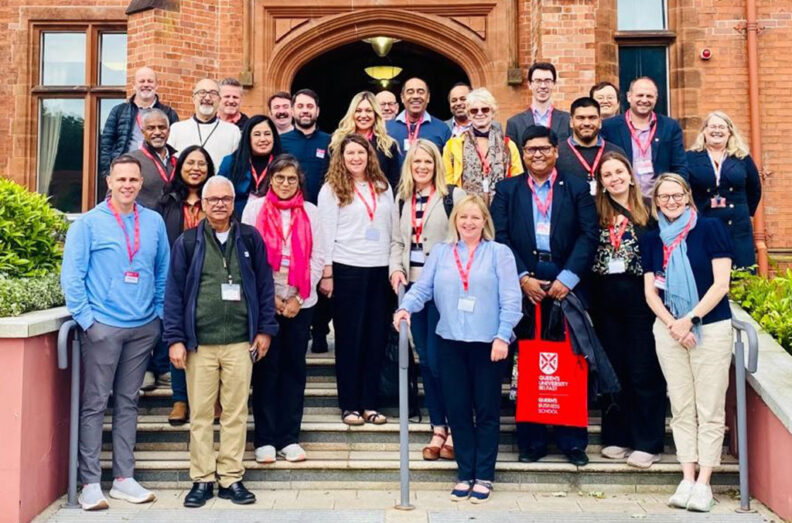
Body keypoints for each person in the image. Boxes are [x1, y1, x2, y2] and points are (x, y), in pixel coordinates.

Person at [393, 195, 522, 503]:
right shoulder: (441, 252)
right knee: (458, 411)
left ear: (484, 222)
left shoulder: (499, 253)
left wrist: (503, 336)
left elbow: (511, 299)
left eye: (475, 218)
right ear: (455, 222)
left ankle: (484, 475)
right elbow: (423, 287)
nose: (468, 223)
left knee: (487, 411)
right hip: (450, 340)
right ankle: (465, 473)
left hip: (488, 344)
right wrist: (405, 307)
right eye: (463, 218)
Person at [61, 154, 169, 511]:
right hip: (103, 327)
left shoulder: (152, 222)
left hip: (142, 328)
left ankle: (124, 478)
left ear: (141, 183)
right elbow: (72, 277)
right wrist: (89, 322)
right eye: (120, 179)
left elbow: (162, 271)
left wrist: (155, 316)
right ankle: (90, 482)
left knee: (128, 402)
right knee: (94, 403)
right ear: (108, 181)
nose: (127, 185)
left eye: (133, 180)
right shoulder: (89, 224)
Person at [164, 176, 278, 508]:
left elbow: (264, 287)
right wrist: (174, 339)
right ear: (203, 204)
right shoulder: (187, 242)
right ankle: (201, 479)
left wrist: (265, 330)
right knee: (200, 414)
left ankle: (230, 477)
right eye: (213, 199)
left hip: (241, 342)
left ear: (233, 202)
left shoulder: (250, 238)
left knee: (236, 412)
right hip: (199, 344)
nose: (219, 205)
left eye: (225, 199)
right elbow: (173, 294)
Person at [490, 125, 597, 466]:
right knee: (529, 362)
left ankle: (572, 442)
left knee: (569, 360)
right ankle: (531, 441)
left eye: (543, 149)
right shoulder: (507, 189)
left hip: (566, 281)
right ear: (522, 153)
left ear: (555, 151)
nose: (537, 154)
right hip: (525, 283)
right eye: (530, 149)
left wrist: (569, 277)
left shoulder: (577, 187)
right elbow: (500, 235)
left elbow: (588, 235)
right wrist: (521, 277)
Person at [641, 173, 733, 512]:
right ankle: (687, 476)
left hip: (710, 329)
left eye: (676, 195)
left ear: (688, 196)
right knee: (680, 406)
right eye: (663, 197)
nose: (670, 202)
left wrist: (689, 319)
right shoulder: (653, 239)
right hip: (668, 332)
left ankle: (705, 482)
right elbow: (650, 291)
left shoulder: (710, 229)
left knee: (709, 408)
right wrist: (673, 324)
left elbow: (721, 284)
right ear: (656, 202)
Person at [241, 155, 324, 464]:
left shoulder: (311, 212)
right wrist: (273, 299)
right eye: (280, 178)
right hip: (266, 302)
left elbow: (319, 256)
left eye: (291, 179)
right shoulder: (255, 208)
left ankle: (289, 437)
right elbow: (248, 256)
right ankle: (264, 438)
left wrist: (298, 299)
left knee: (293, 369)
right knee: (266, 369)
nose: (286, 184)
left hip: (301, 303)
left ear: (299, 181)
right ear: (270, 180)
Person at [389, 139, 466, 460]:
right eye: (416, 162)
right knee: (425, 362)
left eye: (428, 162)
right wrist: (395, 269)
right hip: (414, 292)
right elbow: (397, 242)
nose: (422, 167)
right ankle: (438, 428)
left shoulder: (453, 197)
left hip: (444, 292)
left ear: (437, 165)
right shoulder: (403, 198)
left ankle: (456, 428)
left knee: (441, 361)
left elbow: (467, 240)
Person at [589, 152, 666, 468]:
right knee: (614, 367)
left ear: (631, 175)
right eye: (607, 175)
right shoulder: (595, 211)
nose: (614, 178)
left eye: (619, 172)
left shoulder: (649, 211)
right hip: (605, 298)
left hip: (641, 297)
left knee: (642, 368)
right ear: (602, 183)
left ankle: (647, 441)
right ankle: (617, 436)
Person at [317, 133, 394, 426]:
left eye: (360, 153)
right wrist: (327, 273)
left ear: (369, 155)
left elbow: (390, 227)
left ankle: (370, 404)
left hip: (380, 269)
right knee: (350, 339)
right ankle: (349, 404)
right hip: (347, 268)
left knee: (376, 338)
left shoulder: (382, 186)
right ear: (341, 157)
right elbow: (324, 233)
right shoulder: (331, 189)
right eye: (350, 153)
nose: (355, 158)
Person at [154, 145, 214, 425]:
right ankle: (180, 399)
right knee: (177, 337)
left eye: (202, 163)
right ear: (180, 167)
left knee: (209, 343)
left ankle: (211, 399)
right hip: (176, 280)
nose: (196, 168)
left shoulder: (216, 199)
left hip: (209, 280)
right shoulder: (167, 202)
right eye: (190, 162)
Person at [686, 111, 762, 269]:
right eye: (712, 126)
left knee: (741, 278)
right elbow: (684, 188)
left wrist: (743, 212)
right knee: (706, 274)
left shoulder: (742, 157)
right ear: (704, 131)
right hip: (704, 223)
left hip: (737, 227)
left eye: (722, 127)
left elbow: (754, 189)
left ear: (730, 131)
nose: (717, 130)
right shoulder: (690, 157)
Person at [601, 76, 688, 198]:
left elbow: (679, 166)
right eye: (640, 95)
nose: (644, 100)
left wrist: (676, 194)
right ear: (629, 97)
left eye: (649, 96)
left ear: (656, 99)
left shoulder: (670, 126)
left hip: (659, 201)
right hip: (623, 199)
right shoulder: (609, 127)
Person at [442, 88, 523, 202]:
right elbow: (448, 183)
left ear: (493, 112)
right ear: (468, 115)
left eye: (485, 109)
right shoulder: (452, 146)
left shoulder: (508, 145)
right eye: (474, 110)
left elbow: (517, 181)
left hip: (501, 209)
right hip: (466, 211)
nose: (480, 113)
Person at [100, 67, 179, 176]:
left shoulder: (168, 113)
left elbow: (175, 145)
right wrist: (108, 173)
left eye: (150, 81)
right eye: (142, 81)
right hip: (125, 172)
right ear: (134, 85)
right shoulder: (119, 111)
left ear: (157, 85)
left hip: (157, 173)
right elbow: (106, 145)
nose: (146, 84)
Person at [329, 91, 400, 189]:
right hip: (344, 199)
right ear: (352, 113)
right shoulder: (337, 141)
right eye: (358, 110)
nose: (363, 115)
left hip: (378, 200)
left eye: (368, 111)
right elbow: (328, 177)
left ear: (375, 114)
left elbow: (394, 182)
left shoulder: (388, 144)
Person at [556, 97, 626, 196]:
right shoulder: (557, 154)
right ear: (571, 122)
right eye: (581, 118)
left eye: (592, 118)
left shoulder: (616, 153)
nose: (587, 123)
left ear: (600, 122)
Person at [168, 78, 241, 169]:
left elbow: (237, 167)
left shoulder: (232, 132)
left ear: (219, 100)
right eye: (202, 92)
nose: (207, 98)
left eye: (213, 93)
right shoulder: (177, 129)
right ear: (193, 98)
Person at [218, 115, 283, 217]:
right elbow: (218, 193)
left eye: (267, 134)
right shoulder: (230, 162)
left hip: (273, 221)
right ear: (248, 138)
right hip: (237, 221)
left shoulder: (283, 164)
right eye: (257, 134)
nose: (263, 139)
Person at [506, 62, 571, 154]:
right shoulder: (514, 123)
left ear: (554, 84)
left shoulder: (568, 120)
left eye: (548, 81)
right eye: (538, 81)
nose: (543, 86)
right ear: (529, 84)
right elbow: (513, 160)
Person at [280, 89, 331, 204]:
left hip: (322, 206)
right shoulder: (281, 141)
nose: (305, 110)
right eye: (300, 106)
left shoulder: (329, 141)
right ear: (292, 111)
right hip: (290, 206)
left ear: (317, 111)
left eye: (310, 106)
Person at [126, 109, 178, 211]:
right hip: (142, 222)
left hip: (173, 223)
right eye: (151, 128)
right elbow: (114, 197)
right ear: (143, 132)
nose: (157, 132)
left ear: (168, 130)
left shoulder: (178, 162)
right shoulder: (130, 161)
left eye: (162, 127)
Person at [386, 77, 452, 157]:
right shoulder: (387, 129)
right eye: (410, 92)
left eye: (420, 92)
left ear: (428, 98)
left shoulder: (442, 129)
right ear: (402, 98)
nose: (415, 96)